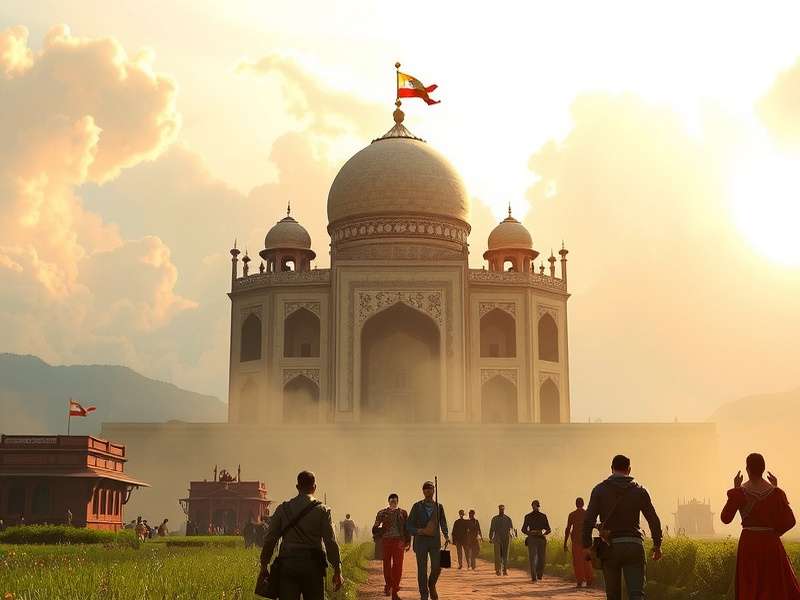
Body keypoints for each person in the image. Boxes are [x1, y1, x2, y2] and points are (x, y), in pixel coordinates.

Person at [582, 454, 663, 600]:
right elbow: (653, 520)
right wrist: (657, 545)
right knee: (636, 594)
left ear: (611, 469)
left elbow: (588, 520)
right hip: (634, 546)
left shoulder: (599, 490)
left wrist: (587, 545)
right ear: (629, 469)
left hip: (610, 547)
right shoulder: (640, 491)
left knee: (613, 595)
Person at [721, 453, 800, 599]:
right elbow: (790, 521)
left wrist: (736, 488)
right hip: (771, 543)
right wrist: (774, 533)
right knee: (772, 584)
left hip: (749, 543)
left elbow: (725, 518)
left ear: (747, 469)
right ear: (763, 469)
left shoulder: (741, 492)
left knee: (750, 584)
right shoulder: (776, 492)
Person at [259, 470, 342, 600]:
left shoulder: (283, 509)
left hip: (287, 564)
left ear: (297, 487)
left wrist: (264, 564)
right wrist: (337, 569)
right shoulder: (323, 510)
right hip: (313, 566)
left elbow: (270, 539)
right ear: (314, 487)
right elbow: (330, 542)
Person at [407, 480, 449, 600]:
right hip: (420, 542)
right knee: (422, 570)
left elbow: (443, 522)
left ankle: (431, 585)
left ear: (434, 491)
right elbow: (409, 525)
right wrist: (419, 531)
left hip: (435, 541)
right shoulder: (417, 506)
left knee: (437, 566)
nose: (428, 491)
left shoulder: (439, 507)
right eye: (425, 489)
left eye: (430, 488)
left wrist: (446, 535)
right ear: (423, 491)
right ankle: (424, 595)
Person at [373, 493, 411, 600]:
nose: (393, 502)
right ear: (388, 501)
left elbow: (407, 528)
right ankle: (389, 585)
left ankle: (394, 590)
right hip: (386, 541)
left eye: (395, 500)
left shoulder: (403, 513)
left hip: (399, 541)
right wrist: (381, 528)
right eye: (391, 500)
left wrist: (408, 542)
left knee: (398, 566)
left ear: (397, 502)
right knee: (386, 565)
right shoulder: (382, 513)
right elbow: (375, 528)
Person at [564, 497, 594, 588]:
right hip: (586, 541)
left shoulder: (572, 515)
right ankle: (589, 581)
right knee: (587, 561)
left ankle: (580, 581)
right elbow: (592, 526)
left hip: (576, 541)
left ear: (576, 504)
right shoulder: (587, 514)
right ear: (583, 504)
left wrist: (565, 543)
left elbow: (568, 529)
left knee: (577, 562)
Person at [522, 500, 551, 582]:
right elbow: (523, 529)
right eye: (533, 506)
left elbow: (548, 529)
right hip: (532, 539)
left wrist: (542, 532)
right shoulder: (528, 516)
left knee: (542, 559)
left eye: (536, 506)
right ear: (532, 506)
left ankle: (539, 575)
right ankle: (534, 576)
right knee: (532, 558)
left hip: (541, 539)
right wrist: (530, 532)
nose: (534, 507)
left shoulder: (543, 516)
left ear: (538, 506)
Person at [489, 504, 515, 576]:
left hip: (506, 538)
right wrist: (491, 538)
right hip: (497, 537)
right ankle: (498, 570)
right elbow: (491, 529)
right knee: (498, 555)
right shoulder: (494, 519)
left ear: (504, 509)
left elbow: (511, 529)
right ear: (499, 509)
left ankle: (505, 570)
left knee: (505, 555)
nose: (501, 510)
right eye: (500, 509)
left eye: (502, 509)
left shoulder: (508, 519)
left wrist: (512, 536)